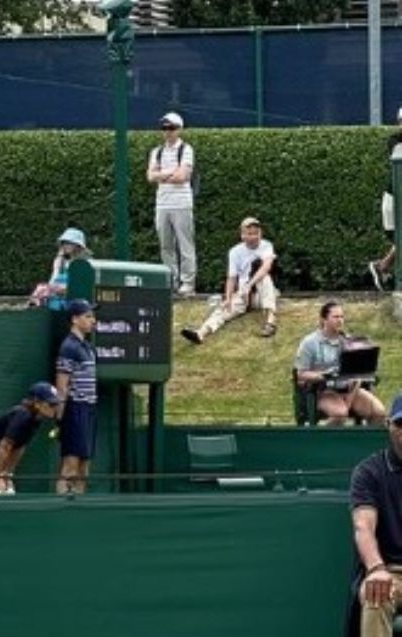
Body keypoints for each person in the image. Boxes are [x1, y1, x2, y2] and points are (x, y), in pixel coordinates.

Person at [348, 396, 402, 637]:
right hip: (390, 570)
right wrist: (376, 567)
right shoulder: (369, 471)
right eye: (400, 425)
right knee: (375, 592)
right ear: (389, 426)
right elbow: (363, 527)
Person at [180, 217, 278, 345]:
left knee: (264, 278)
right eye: (250, 233)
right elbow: (231, 277)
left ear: (260, 233)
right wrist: (228, 298)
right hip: (244, 293)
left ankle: (271, 321)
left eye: (256, 233)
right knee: (225, 308)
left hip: (262, 294)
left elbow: (266, 267)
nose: (254, 236)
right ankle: (201, 333)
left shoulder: (266, 245)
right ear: (242, 235)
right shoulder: (235, 252)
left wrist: (250, 284)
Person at [294, 300, 385, 427]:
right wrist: (324, 375)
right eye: (336, 317)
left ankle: (361, 444)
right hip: (323, 391)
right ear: (323, 319)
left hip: (350, 391)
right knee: (340, 414)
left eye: (342, 317)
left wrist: (349, 400)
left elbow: (357, 374)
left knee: (379, 413)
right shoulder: (309, 342)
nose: (340, 320)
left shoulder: (349, 341)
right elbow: (300, 375)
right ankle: (319, 442)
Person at [147, 111, 196, 296]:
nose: (167, 132)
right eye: (164, 128)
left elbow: (182, 177)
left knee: (185, 244)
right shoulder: (157, 152)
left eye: (172, 128)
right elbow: (150, 176)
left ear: (179, 129)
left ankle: (188, 283)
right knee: (165, 245)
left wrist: (161, 174)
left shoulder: (187, 149)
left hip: (182, 203)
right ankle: (170, 281)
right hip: (162, 204)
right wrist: (170, 173)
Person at [55, 299, 97, 494]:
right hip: (74, 409)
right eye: (87, 316)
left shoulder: (87, 347)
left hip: (88, 409)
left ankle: (80, 507)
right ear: (74, 319)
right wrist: (61, 417)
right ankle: (60, 507)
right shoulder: (68, 347)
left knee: (84, 467)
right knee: (70, 465)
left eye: (92, 316)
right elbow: (62, 385)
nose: (92, 320)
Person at [367, 108, 402, 290]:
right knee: (400, 239)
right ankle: (382, 267)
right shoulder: (394, 141)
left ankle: (382, 267)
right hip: (394, 200)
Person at [28, 228, 89, 310]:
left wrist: (61, 290)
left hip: (75, 300)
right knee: (41, 289)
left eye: (69, 243)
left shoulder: (84, 263)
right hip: (57, 299)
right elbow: (53, 280)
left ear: (78, 246)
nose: (65, 245)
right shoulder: (60, 261)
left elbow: (82, 288)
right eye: (64, 243)